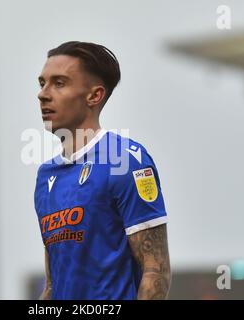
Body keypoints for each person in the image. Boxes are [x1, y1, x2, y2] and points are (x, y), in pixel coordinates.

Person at [34, 41, 171, 300]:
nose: (43, 94)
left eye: (59, 83)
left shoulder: (127, 161)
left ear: (94, 96)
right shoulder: (45, 175)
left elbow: (156, 272)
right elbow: (52, 285)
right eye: (42, 83)